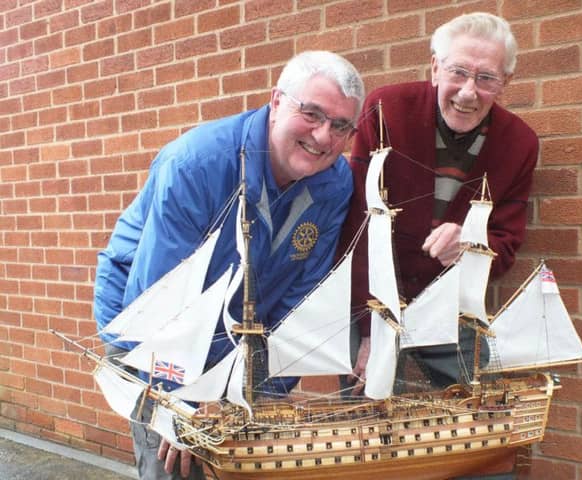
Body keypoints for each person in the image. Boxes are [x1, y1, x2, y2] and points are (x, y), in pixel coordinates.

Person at [93, 50, 365, 480]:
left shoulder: (334, 183)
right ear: (277, 102)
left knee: (245, 460)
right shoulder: (198, 163)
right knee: (179, 464)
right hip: (151, 332)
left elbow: (301, 296)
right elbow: (158, 291)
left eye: (341, 125)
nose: (324, 136)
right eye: (311, 113)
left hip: (238, 335)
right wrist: (177, 403)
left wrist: (262, 396)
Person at [339, 12, 538, 478]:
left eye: (486, 78)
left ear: (504, 82)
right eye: (459, 72)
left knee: (486, 426)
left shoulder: (520, 143)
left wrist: (471, 243)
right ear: (434, 69)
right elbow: (353, 223)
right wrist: (370, 327)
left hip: (447, 305)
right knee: (366, 427)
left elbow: (506, 243)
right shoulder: (385, 109)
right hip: (371, 295)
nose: (469, 91)